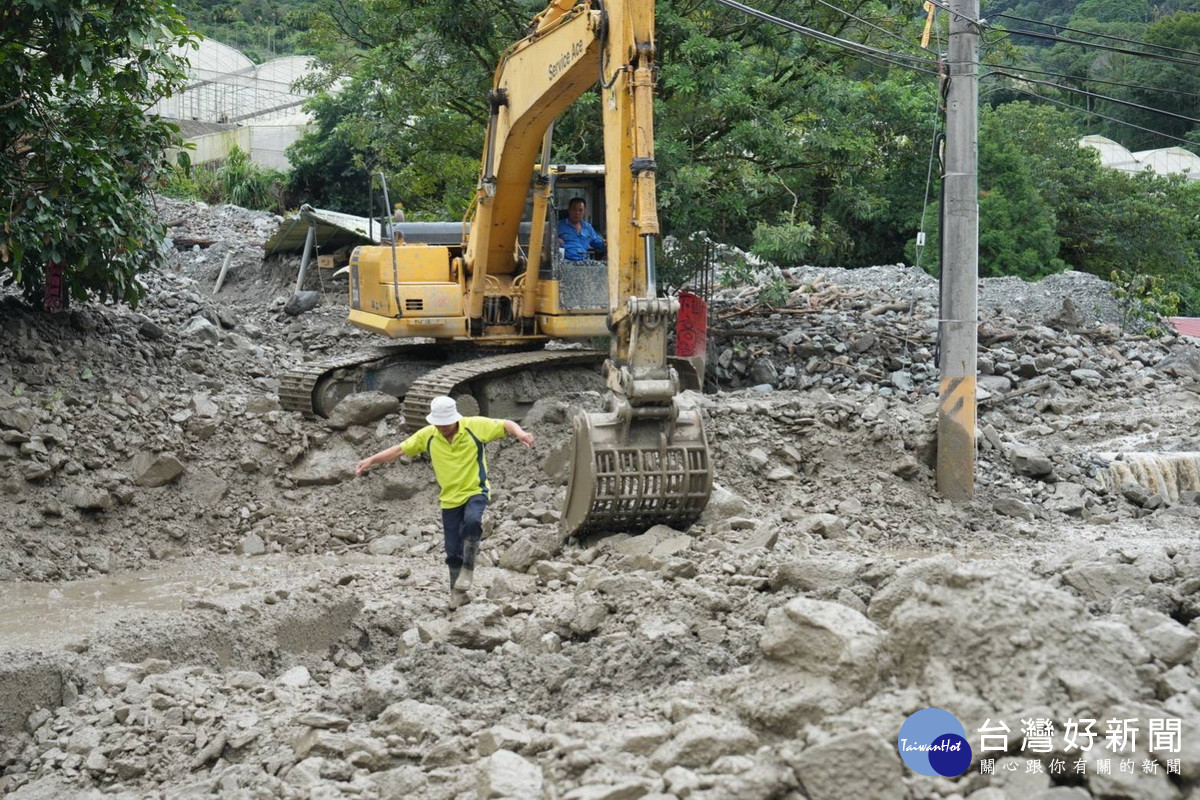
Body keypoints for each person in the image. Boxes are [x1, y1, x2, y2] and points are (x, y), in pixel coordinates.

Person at [355, 396, 535, 607]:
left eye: (446, 424)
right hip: (449, 499)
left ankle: (468, 570)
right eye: (438, 425)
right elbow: (400, 450)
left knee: (472, 521)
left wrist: (520, 433)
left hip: (475, 490)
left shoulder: (474, 426)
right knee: (452, 550)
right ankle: (456, 595)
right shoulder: (429, 435)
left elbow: (506, 424)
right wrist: (370, 460)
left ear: (455, 418)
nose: (442, 429)